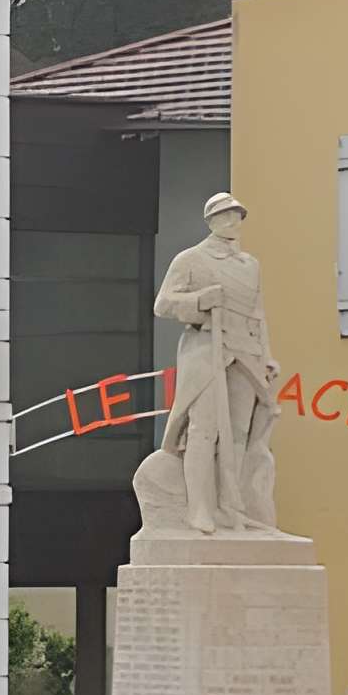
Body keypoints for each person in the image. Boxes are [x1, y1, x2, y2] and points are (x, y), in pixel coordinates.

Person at [150, 192, 277, 534]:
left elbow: (258, 313)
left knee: (237, 434)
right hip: (207, 350)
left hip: (244, 354)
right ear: (211, 221)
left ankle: (230, 507)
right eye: (225, 216)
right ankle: (199, 509)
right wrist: (200, 300)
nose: (233, 222)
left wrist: (266, 355)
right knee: (203, 431)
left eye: (237, 216)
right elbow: (162, 304)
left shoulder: (249, 265)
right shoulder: (191, 260)